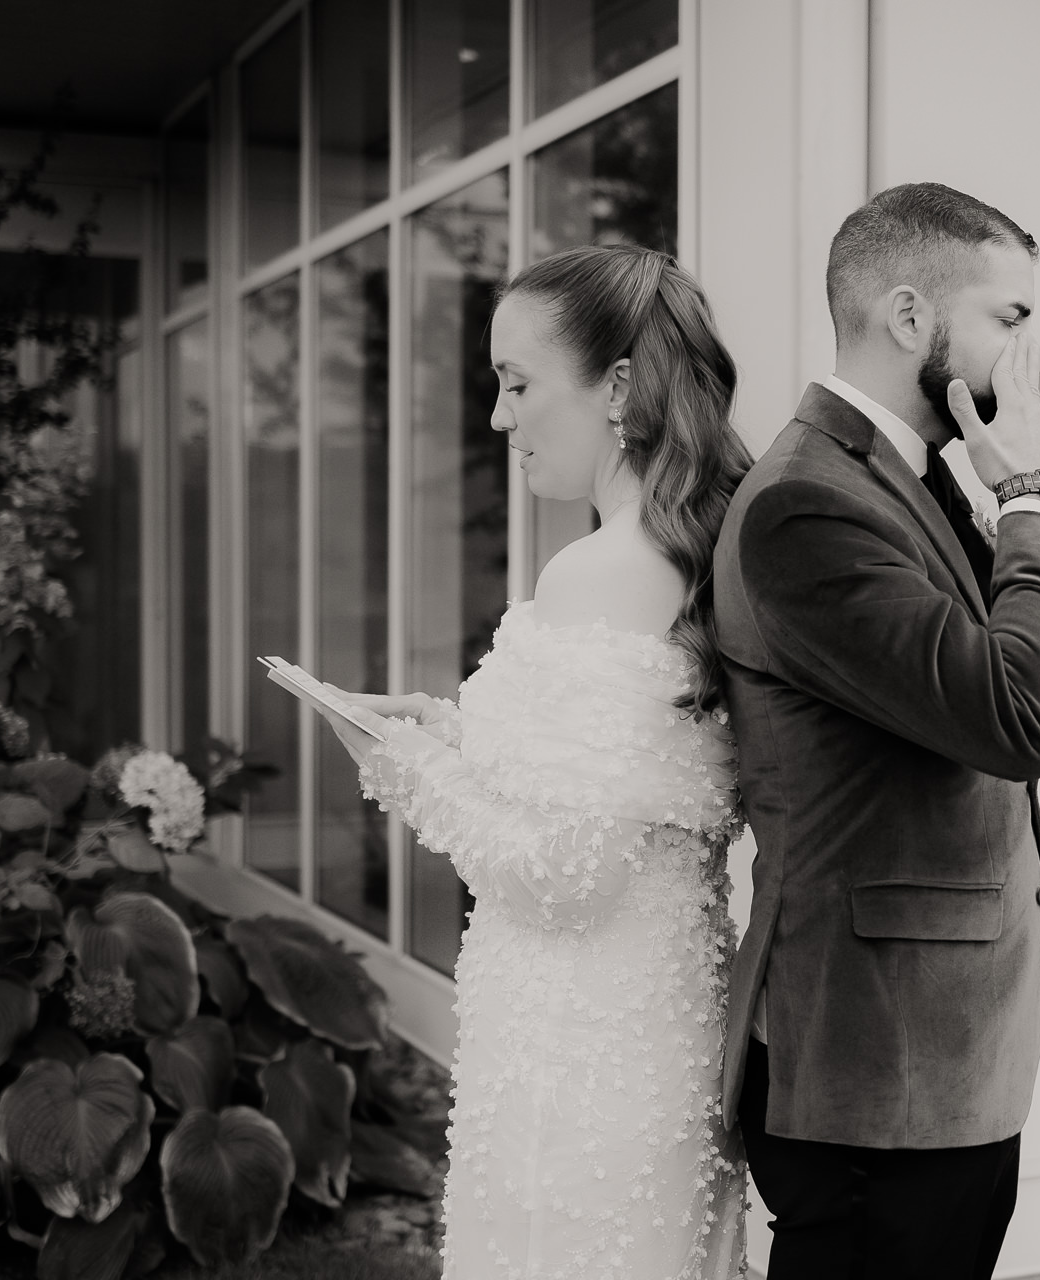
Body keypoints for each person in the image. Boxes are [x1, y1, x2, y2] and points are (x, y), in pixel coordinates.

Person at [314, 243, 755, 1279]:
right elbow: (628, 777)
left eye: (517, 385)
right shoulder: (700, 551)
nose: (498, 418)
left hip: (576, 1052)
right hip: (657, 1035)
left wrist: (402, 767)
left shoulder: (599, 573)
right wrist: (449, 729)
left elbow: (570, 867)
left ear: (621, 388)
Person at [714, 183, 1040, 1280]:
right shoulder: (808, 504)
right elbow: (1022, 717)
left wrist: (1014, 496)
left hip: (939, 1057)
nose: (1027, 355)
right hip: (875, 1072)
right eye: (1009, 318)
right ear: (907, 315)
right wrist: (1034, 493)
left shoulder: (909, 478)